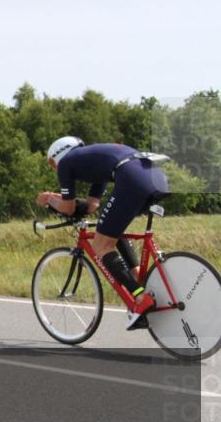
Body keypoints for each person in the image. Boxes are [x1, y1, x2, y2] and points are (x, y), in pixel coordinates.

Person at [36, 137, 171, 330]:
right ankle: (139, 279)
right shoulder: (94, 159)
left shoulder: (66, 162)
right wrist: (62, 200)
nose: (54, 168)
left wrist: (49, 199)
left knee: (101, 244)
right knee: (111, 233)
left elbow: (67, 207)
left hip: (132, 178)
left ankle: (140, 299)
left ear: (58, 155)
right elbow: (91, 206)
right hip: (154, 176)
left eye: (51, 163)